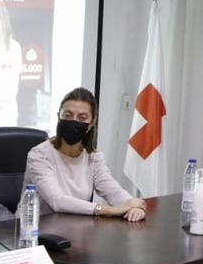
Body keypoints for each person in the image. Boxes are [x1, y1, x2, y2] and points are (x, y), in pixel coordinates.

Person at [26, 87, 147, 220]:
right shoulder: (39, 155)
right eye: (68, 115)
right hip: (34, 229)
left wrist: (132, 205)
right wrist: (107, 210)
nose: (74, 121)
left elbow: (111, 189)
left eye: (82, 117)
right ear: (58, 116)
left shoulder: (93, 157)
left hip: (75, 226)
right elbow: (57, 201)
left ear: (92, 123)